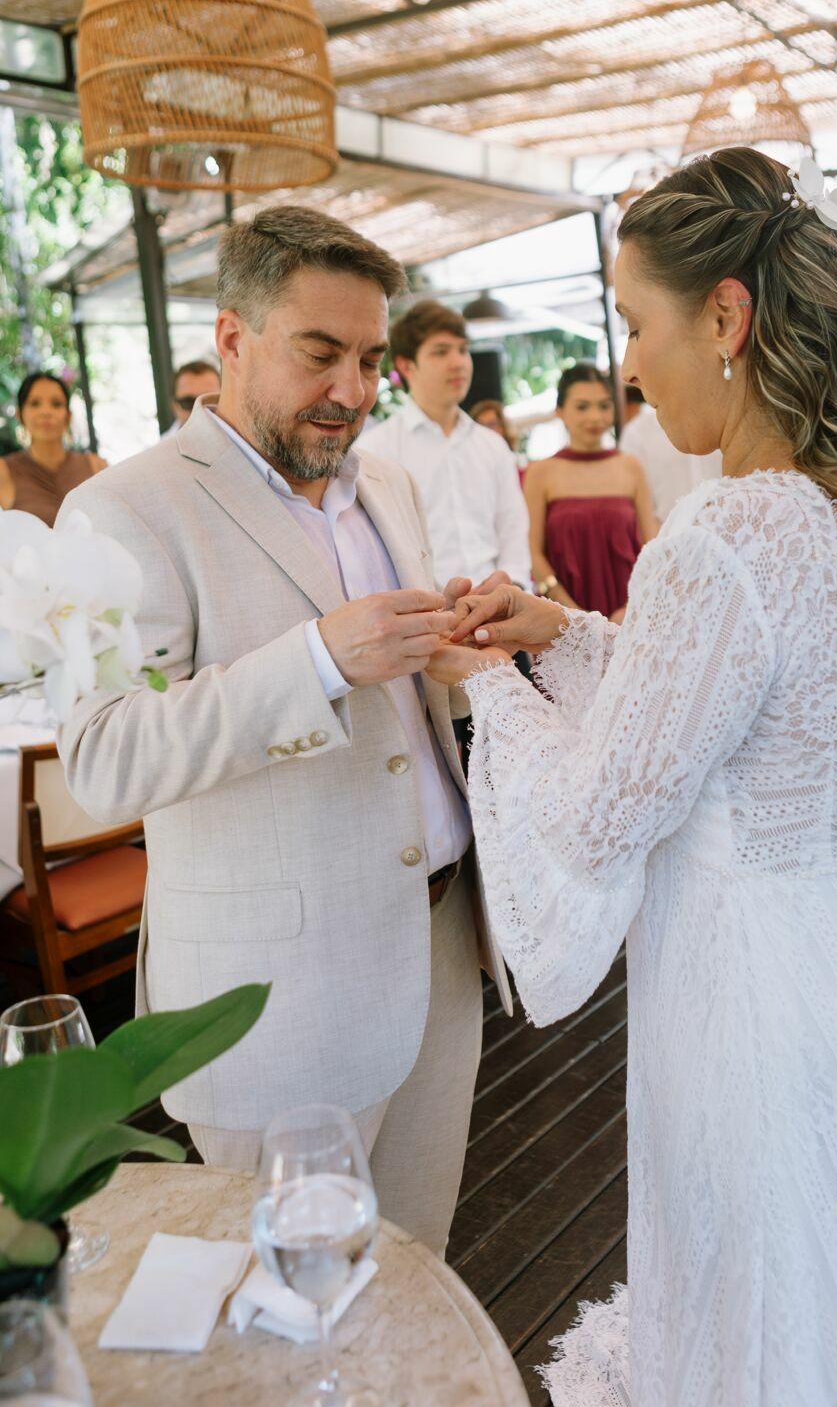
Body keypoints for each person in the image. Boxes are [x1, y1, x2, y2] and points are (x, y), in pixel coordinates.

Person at [427, 147, 837, 1404]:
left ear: (725, 316)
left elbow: (604, 814)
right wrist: (556, 631)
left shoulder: (723, 533)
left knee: (776, 1326)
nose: (630, 364)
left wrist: (476, 678)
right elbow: (736, 717)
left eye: (636, 322)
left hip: (764, 1012)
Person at [57, 206, 511, 1258]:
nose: (350, 390)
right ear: (230, 338)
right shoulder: (129, 510)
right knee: (283, 1309)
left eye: (365, 358)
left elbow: (405, 707)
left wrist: (458, 658)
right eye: (319, 353)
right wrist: (315, 660)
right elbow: (103, 758)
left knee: (414, 1270)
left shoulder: (386, 481)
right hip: (274, 995)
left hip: (440, 948)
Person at [361, 302, 531, 589]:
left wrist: (511, 587)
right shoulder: (375, 450)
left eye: (463, 350)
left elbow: (513, 531)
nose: (458, 362)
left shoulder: (492, 445)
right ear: (406, 365)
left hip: (499, 607)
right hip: (425, 615)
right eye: (441, 351)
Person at [524, 364, 657, 622]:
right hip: (563, 616)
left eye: (604, 406)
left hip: (629, 613)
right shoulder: (541, 472)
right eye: (582, 407)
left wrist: (633, 605)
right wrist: (569, 610)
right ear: (560, 412)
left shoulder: (631, 467)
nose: (595, 417)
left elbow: (651, 545)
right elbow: (533, 550)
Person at [0, 372, 105, 524]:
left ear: (68, 416)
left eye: (56, 404)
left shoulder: (96, 466)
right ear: (20, 414)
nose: (46, 412)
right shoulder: (4, 471)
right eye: (35, 403)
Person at [620, 382, 723, 521]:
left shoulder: (726, 419)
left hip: (731, 535)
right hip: (665, 537)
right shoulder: (637, 433)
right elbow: (637, 508)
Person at [165, 358, 221, 434]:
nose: (198, 411)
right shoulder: (163, 445)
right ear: (174, 407)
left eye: (209, 401)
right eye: (188, 402)